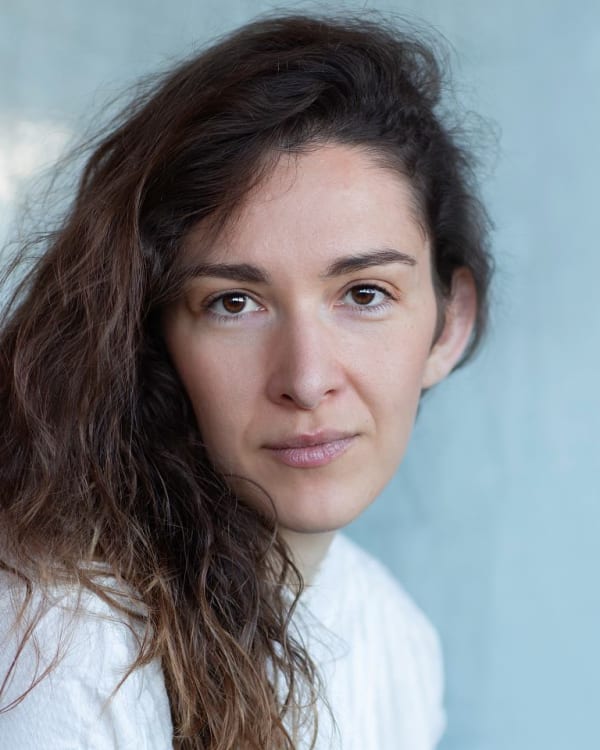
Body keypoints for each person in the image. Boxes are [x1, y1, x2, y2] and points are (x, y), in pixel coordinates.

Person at [0, 12, 492, 750]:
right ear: (153, 337)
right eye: (234, 303)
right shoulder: (66, 638)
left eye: (364, 294)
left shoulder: (398, 640)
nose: (307, 379)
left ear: (448, 326)